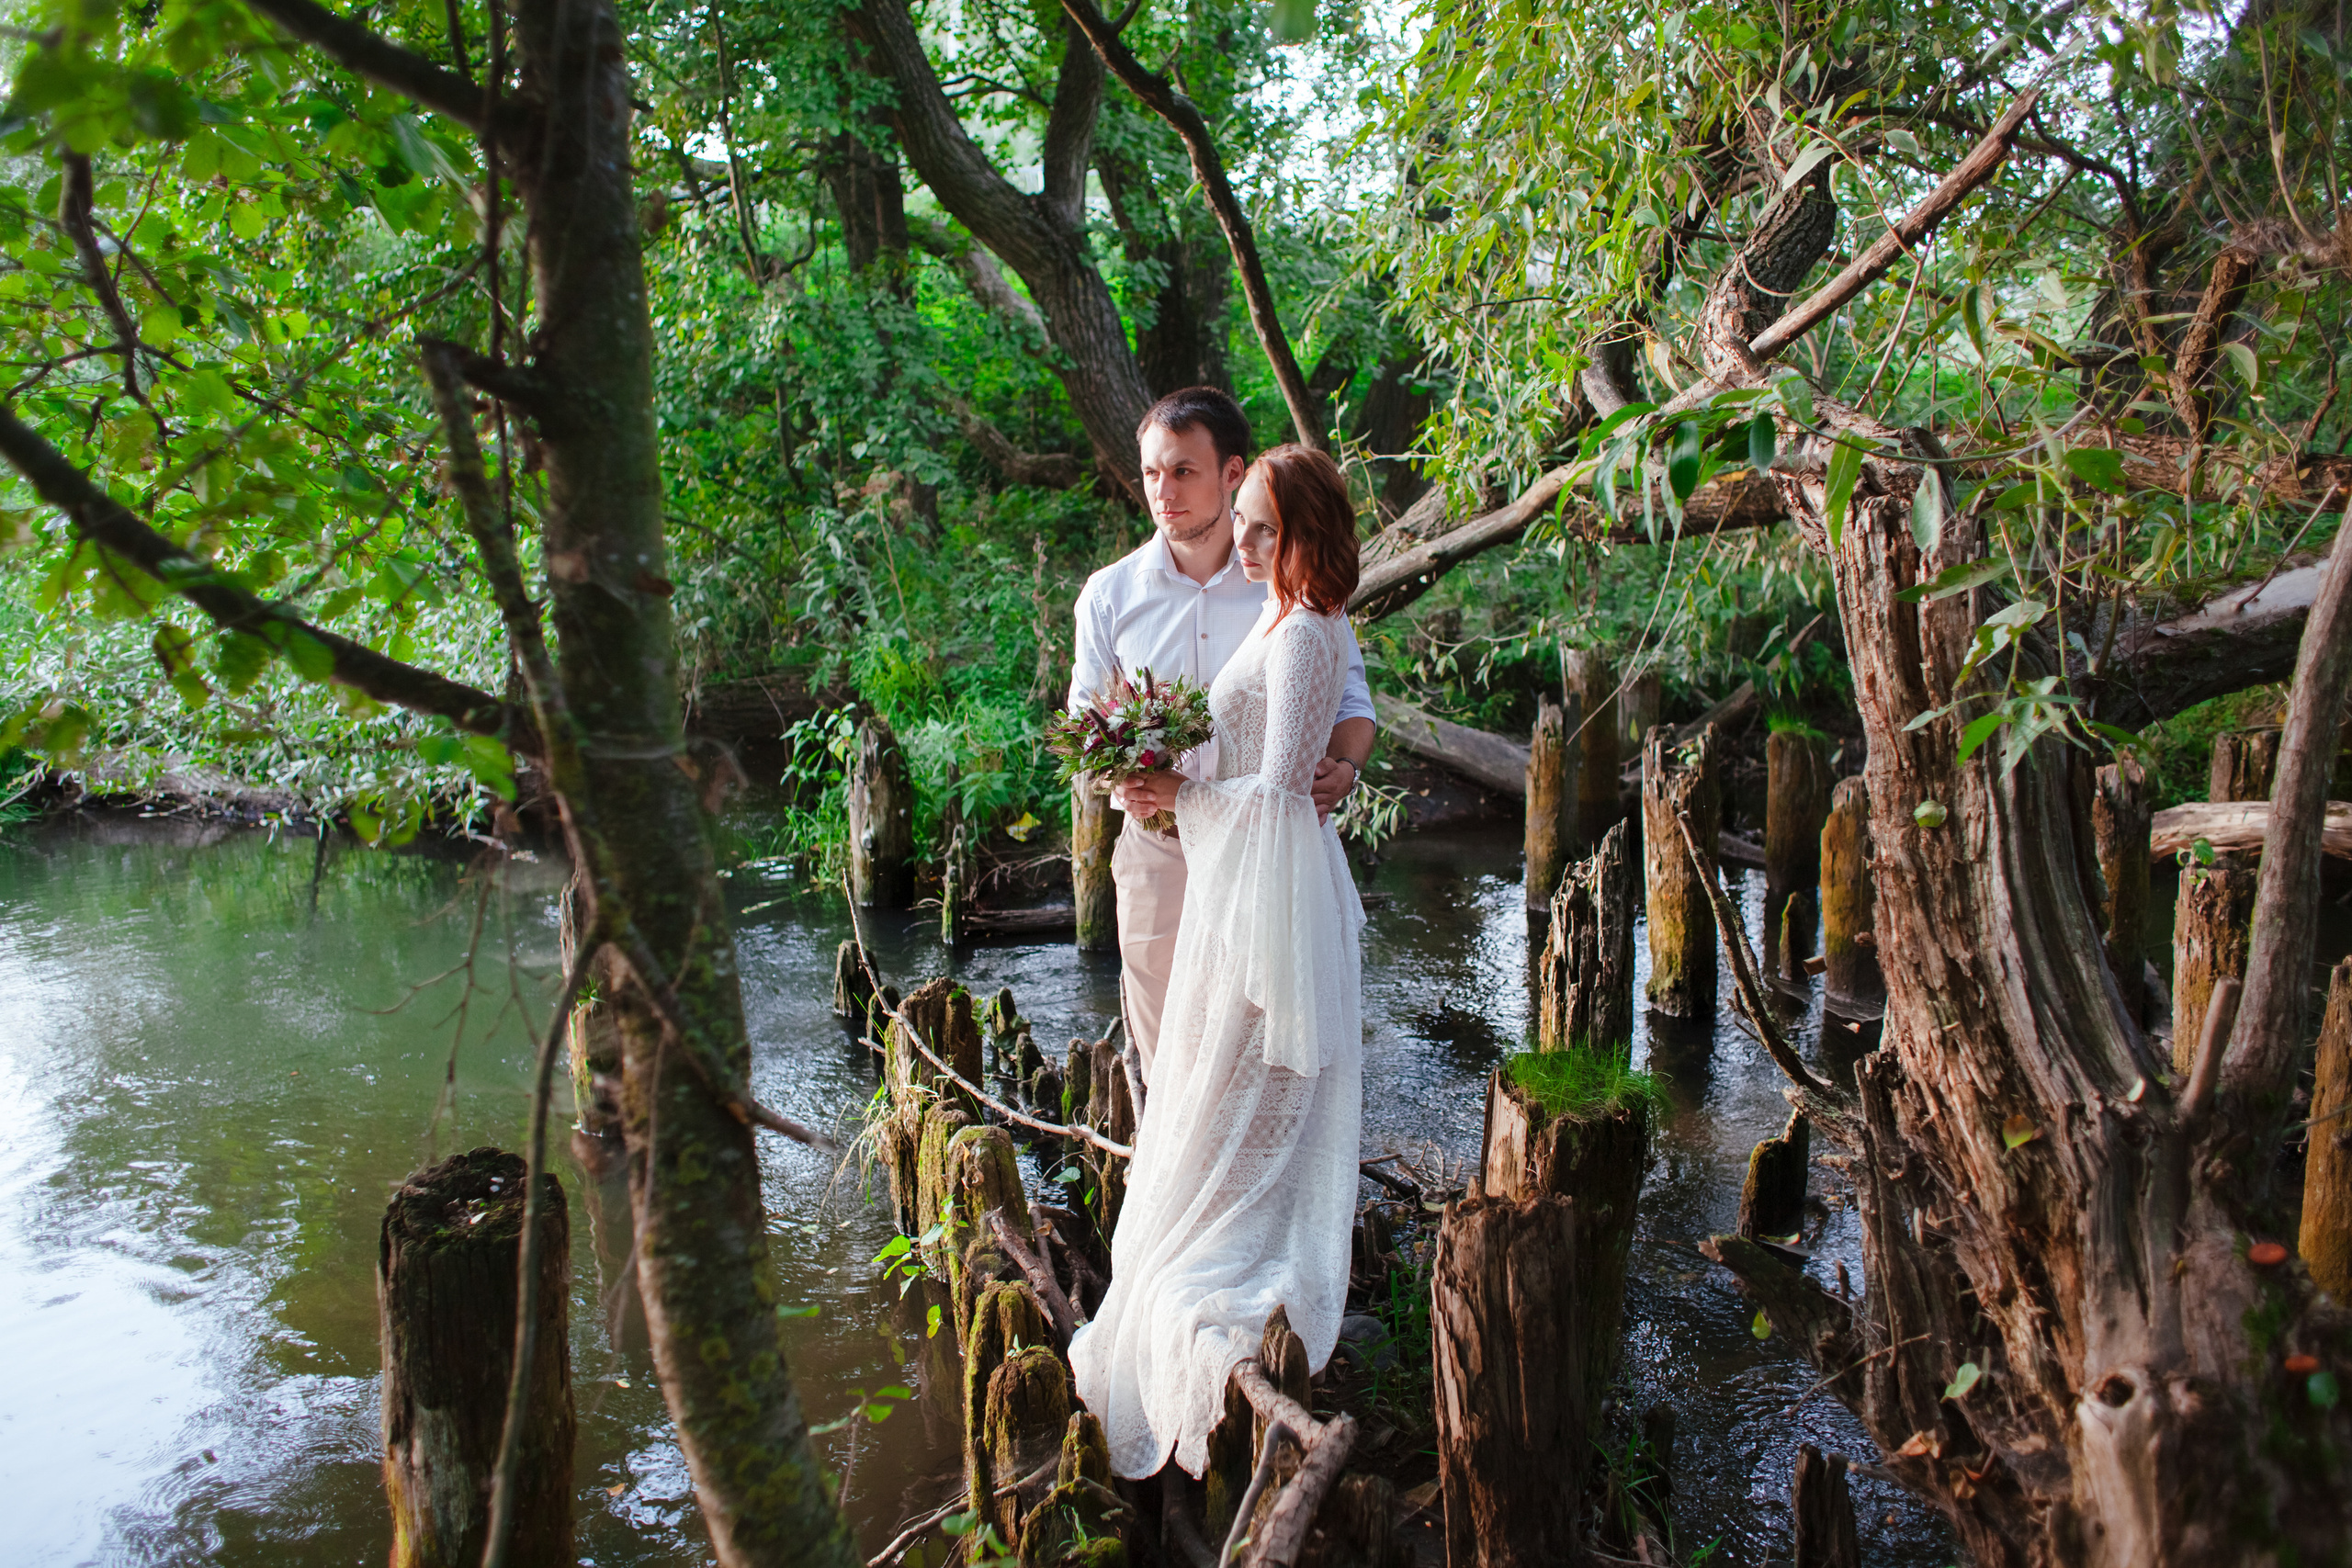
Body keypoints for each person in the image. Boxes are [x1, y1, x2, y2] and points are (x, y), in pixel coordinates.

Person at [1069, 443, 1368, 1482]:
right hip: (1248, 888)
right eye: (1238, 524)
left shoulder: (1301, 635)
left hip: (1268, 890)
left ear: (1305, 535)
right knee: (1209, 1084)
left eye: (1261, 529)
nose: (1241, 544)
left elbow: (1284, 793)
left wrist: (1176, 799)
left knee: (1239, 1087)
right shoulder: (1286, 619)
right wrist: (1154, 774)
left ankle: (1237, 1282)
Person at [1068, 388, 1374, 1078]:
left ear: (1231, 472)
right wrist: (1120, 764)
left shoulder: (1287, 580)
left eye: (1183, 471)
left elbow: (1352, 697)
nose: (1163, 491)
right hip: (1160, 858)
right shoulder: (1110, 595)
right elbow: (1086, 716)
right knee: (1171, 1067)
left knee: (1262, 1068)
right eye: (1151, 472)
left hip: (1268, 860)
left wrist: (1348, 768)